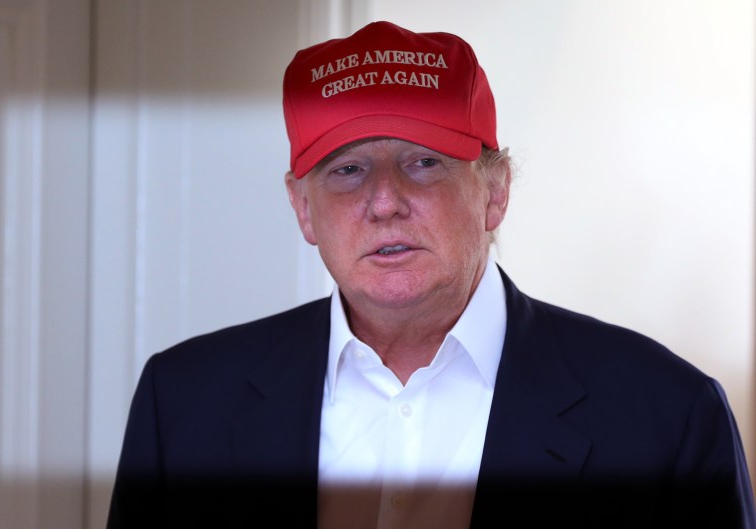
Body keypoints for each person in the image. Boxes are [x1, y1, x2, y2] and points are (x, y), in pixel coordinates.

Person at [106, 20, 755, 529]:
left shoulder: (666, 419)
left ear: (495, 191)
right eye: (347, 170)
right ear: (303, 208)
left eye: (422, 162)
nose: (384, 199)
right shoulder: (184, 406)